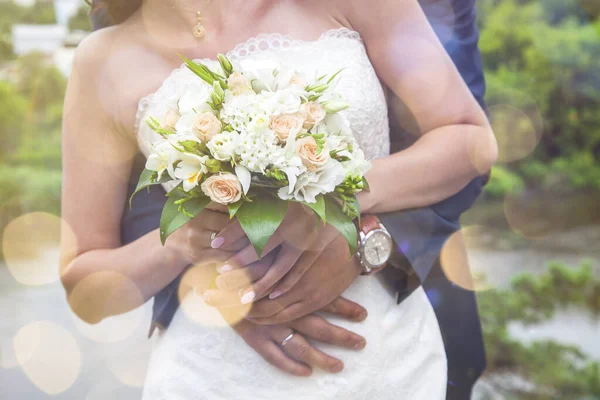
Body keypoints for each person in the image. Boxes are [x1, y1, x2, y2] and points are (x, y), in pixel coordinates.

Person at [63, 0, 496, 399]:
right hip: (213, 373)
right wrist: (185, 245)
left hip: (384, 353)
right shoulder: (103, 60)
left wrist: (341, 201)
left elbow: (467, 138)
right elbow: (85, 287)